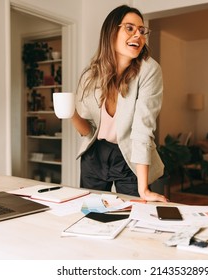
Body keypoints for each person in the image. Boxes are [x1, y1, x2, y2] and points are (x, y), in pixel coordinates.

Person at [70, 5, 167, 202]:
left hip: (130, 156)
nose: (138, 35)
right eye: (130, 28)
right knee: (93, 216)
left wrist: (144, 189)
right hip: (95, 154)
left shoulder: (149, 71)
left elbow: (143, 130)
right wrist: (70, 112)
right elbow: (87, 131)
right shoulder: (91, 75)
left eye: (142, 31)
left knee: (132, 217)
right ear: (111, 32)